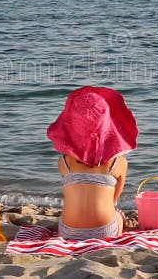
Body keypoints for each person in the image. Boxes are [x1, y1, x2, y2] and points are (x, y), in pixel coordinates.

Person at [47, 85, 139, 240]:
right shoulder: (118, 163)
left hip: (67, 231)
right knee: (117, 214)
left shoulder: (64, 163)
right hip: (104, 231)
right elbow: (113, 200)